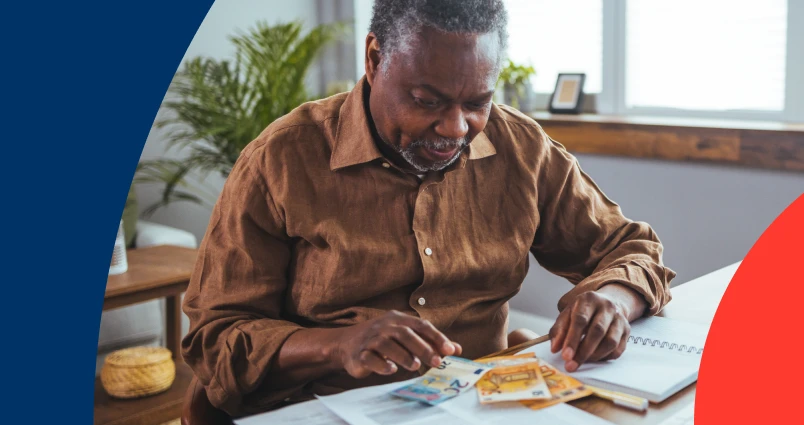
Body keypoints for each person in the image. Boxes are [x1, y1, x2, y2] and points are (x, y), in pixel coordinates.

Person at [182, 0, 675, 417]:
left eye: (478, 101)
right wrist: (337, 346)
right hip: (323, 404)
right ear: (375, 59)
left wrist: (614, 297)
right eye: (426, 100)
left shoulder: (521, 147)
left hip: (483, 406)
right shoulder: (281, 160)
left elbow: (631, 248)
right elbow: (215, 338)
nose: (457, 128)